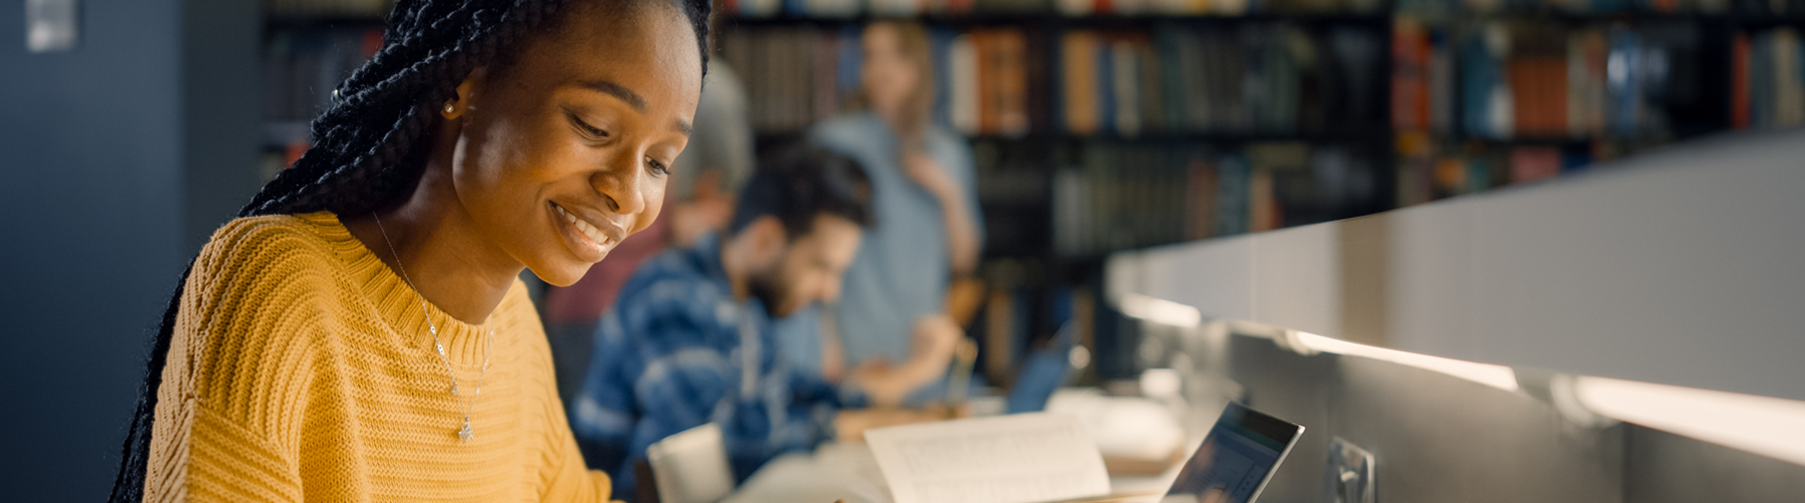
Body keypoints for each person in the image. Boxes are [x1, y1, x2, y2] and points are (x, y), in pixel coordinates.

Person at [107, 0, 712, 500]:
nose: (628, 193)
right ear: (462, 85)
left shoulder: (514, 330)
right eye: (593, 126)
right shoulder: (276, 291)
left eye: (659, 162)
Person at [569, 146, 956, 495]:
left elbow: (783, 391)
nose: (829, 292)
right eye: (822, 267)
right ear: (767, 238)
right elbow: (715, 440)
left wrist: (887, 404)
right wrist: (863, 421)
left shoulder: (744, 301)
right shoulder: (668, 296)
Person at [539, 55, 754, 406]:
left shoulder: (705, 94)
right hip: (595, 309)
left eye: (658, 163)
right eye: (595, 128)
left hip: (622, 306)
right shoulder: (710, 89)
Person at [798, 21, 985, 399]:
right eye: (870, 56)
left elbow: (965, 260)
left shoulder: (946, 151)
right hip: (854, 345)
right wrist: (824, 340)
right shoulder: (833, 142)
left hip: (921, 346)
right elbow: (806, 252)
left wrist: (947, 193)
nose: (882, 68)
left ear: (919, 65)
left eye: (895, 55)